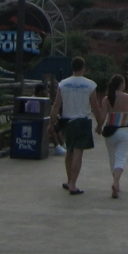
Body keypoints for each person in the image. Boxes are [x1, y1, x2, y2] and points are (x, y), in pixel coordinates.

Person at [48, 56, 102, 195]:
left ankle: (69, 180)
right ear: (83, 68)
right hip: (82, 121)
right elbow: (95, 105)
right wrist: (100, 123)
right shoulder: (90, 84)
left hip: (68, 121)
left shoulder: (63, 84)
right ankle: (73, 184)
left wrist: (51, 123)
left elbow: (56, 105)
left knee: (69, 151)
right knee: (78, 152)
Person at [96, 74, 128, 199]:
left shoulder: (106, 99)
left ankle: (116, 182)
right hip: (124, 131)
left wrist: (99, 127)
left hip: (110, 131)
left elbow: (103, 117)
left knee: (112, 158)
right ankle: (115, 183)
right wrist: (126, 114)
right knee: (121, 157)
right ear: (121, 84)